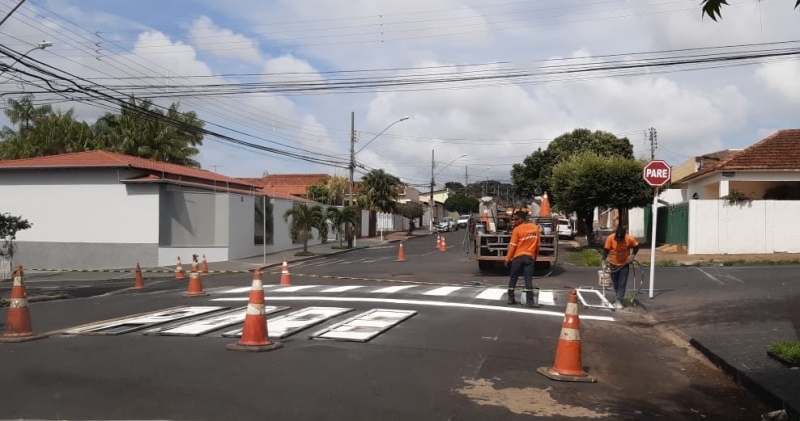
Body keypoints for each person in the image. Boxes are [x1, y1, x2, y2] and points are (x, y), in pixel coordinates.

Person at [504, 210, 541, 308]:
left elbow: (512, 246)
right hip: (529, 257)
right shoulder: (535, 228)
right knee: (528, 279)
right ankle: (530, 301)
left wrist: (507, 259)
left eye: (516, 219)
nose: (514, 222)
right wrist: (535, 257)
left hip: (518, 257)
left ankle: (511, 298)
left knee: (513, 278)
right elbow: (538, 245)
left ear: (521, 219)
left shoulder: (517, 230)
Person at [601, 225, 640, 309]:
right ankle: (618, 297)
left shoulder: (629, 239)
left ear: (624, 236)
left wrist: (632, 256)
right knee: (615, 283)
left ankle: (619, 300)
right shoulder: (610, 238)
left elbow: (636, 246)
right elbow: (606, 250)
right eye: (617, 239)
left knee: (622, 283)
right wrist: (603, 261)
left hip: (624, 264)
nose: (618, 241)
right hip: (613, 264)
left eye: (620, 239)